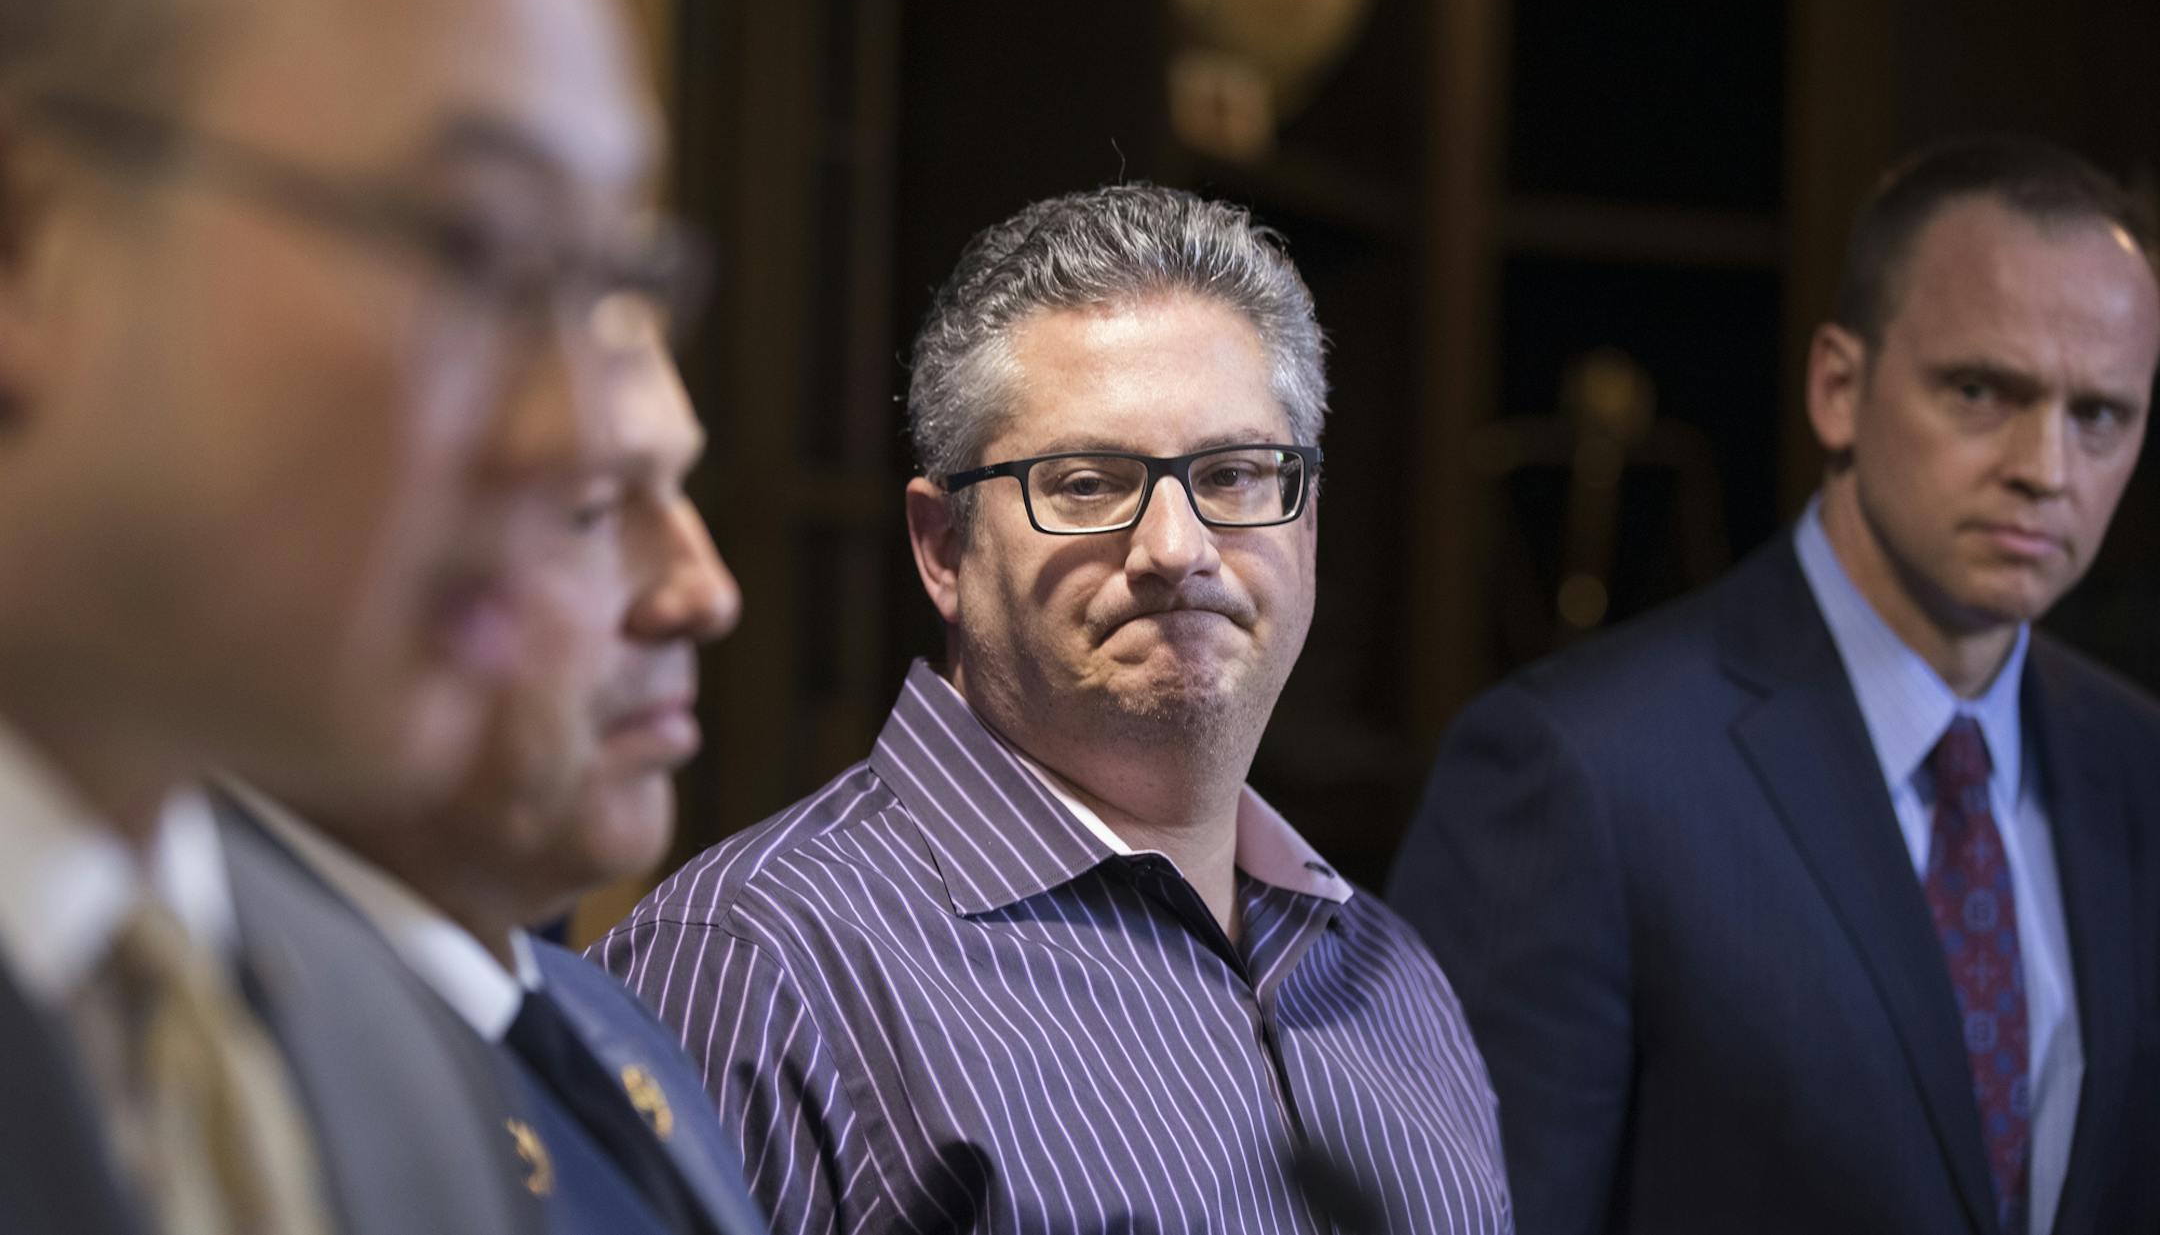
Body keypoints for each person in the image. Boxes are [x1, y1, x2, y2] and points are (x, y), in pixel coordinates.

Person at [600, 184, 1514, 1235]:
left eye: (1233, 472)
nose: (1176, 546)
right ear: (945, 546)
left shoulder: (1394, 976)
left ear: (1304, 519)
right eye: (1086, 483)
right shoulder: (758, 962)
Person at [0, 0, 664, 1230]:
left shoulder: (390, 1057)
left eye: (609, 283)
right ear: (25, 241)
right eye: (478, 249)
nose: (579, 434)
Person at [1387, 136, 2160, 1235]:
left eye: (2101, 415)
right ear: (1839, 387)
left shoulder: (2138, 766)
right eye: (1983, 389)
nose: (2047, 465)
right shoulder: (1584, 769)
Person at [232, 313, 769, 1235]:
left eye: (682, 490)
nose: (704, 590)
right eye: (593, 509)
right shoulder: (204, 1073)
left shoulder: (603, 1018)